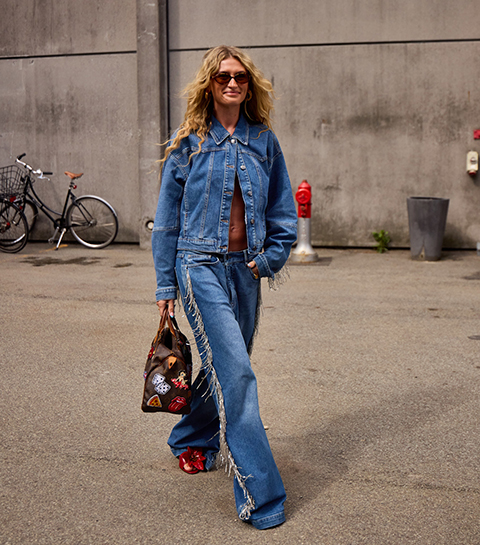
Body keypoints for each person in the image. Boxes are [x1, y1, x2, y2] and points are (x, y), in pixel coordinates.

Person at [152, 45, 297, 530]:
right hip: (199, 268)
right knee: (236, 373)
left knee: (225, 363)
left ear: (249, 85)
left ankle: (191, 437)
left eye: (239, 77)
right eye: (221, 77)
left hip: (246, 270)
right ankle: (262, 495)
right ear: (208, 85)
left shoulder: (264, 141)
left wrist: (267, 261)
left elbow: (282, 210)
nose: (231, 83)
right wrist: (164, 285)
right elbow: (167, 224)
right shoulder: (187, 143)